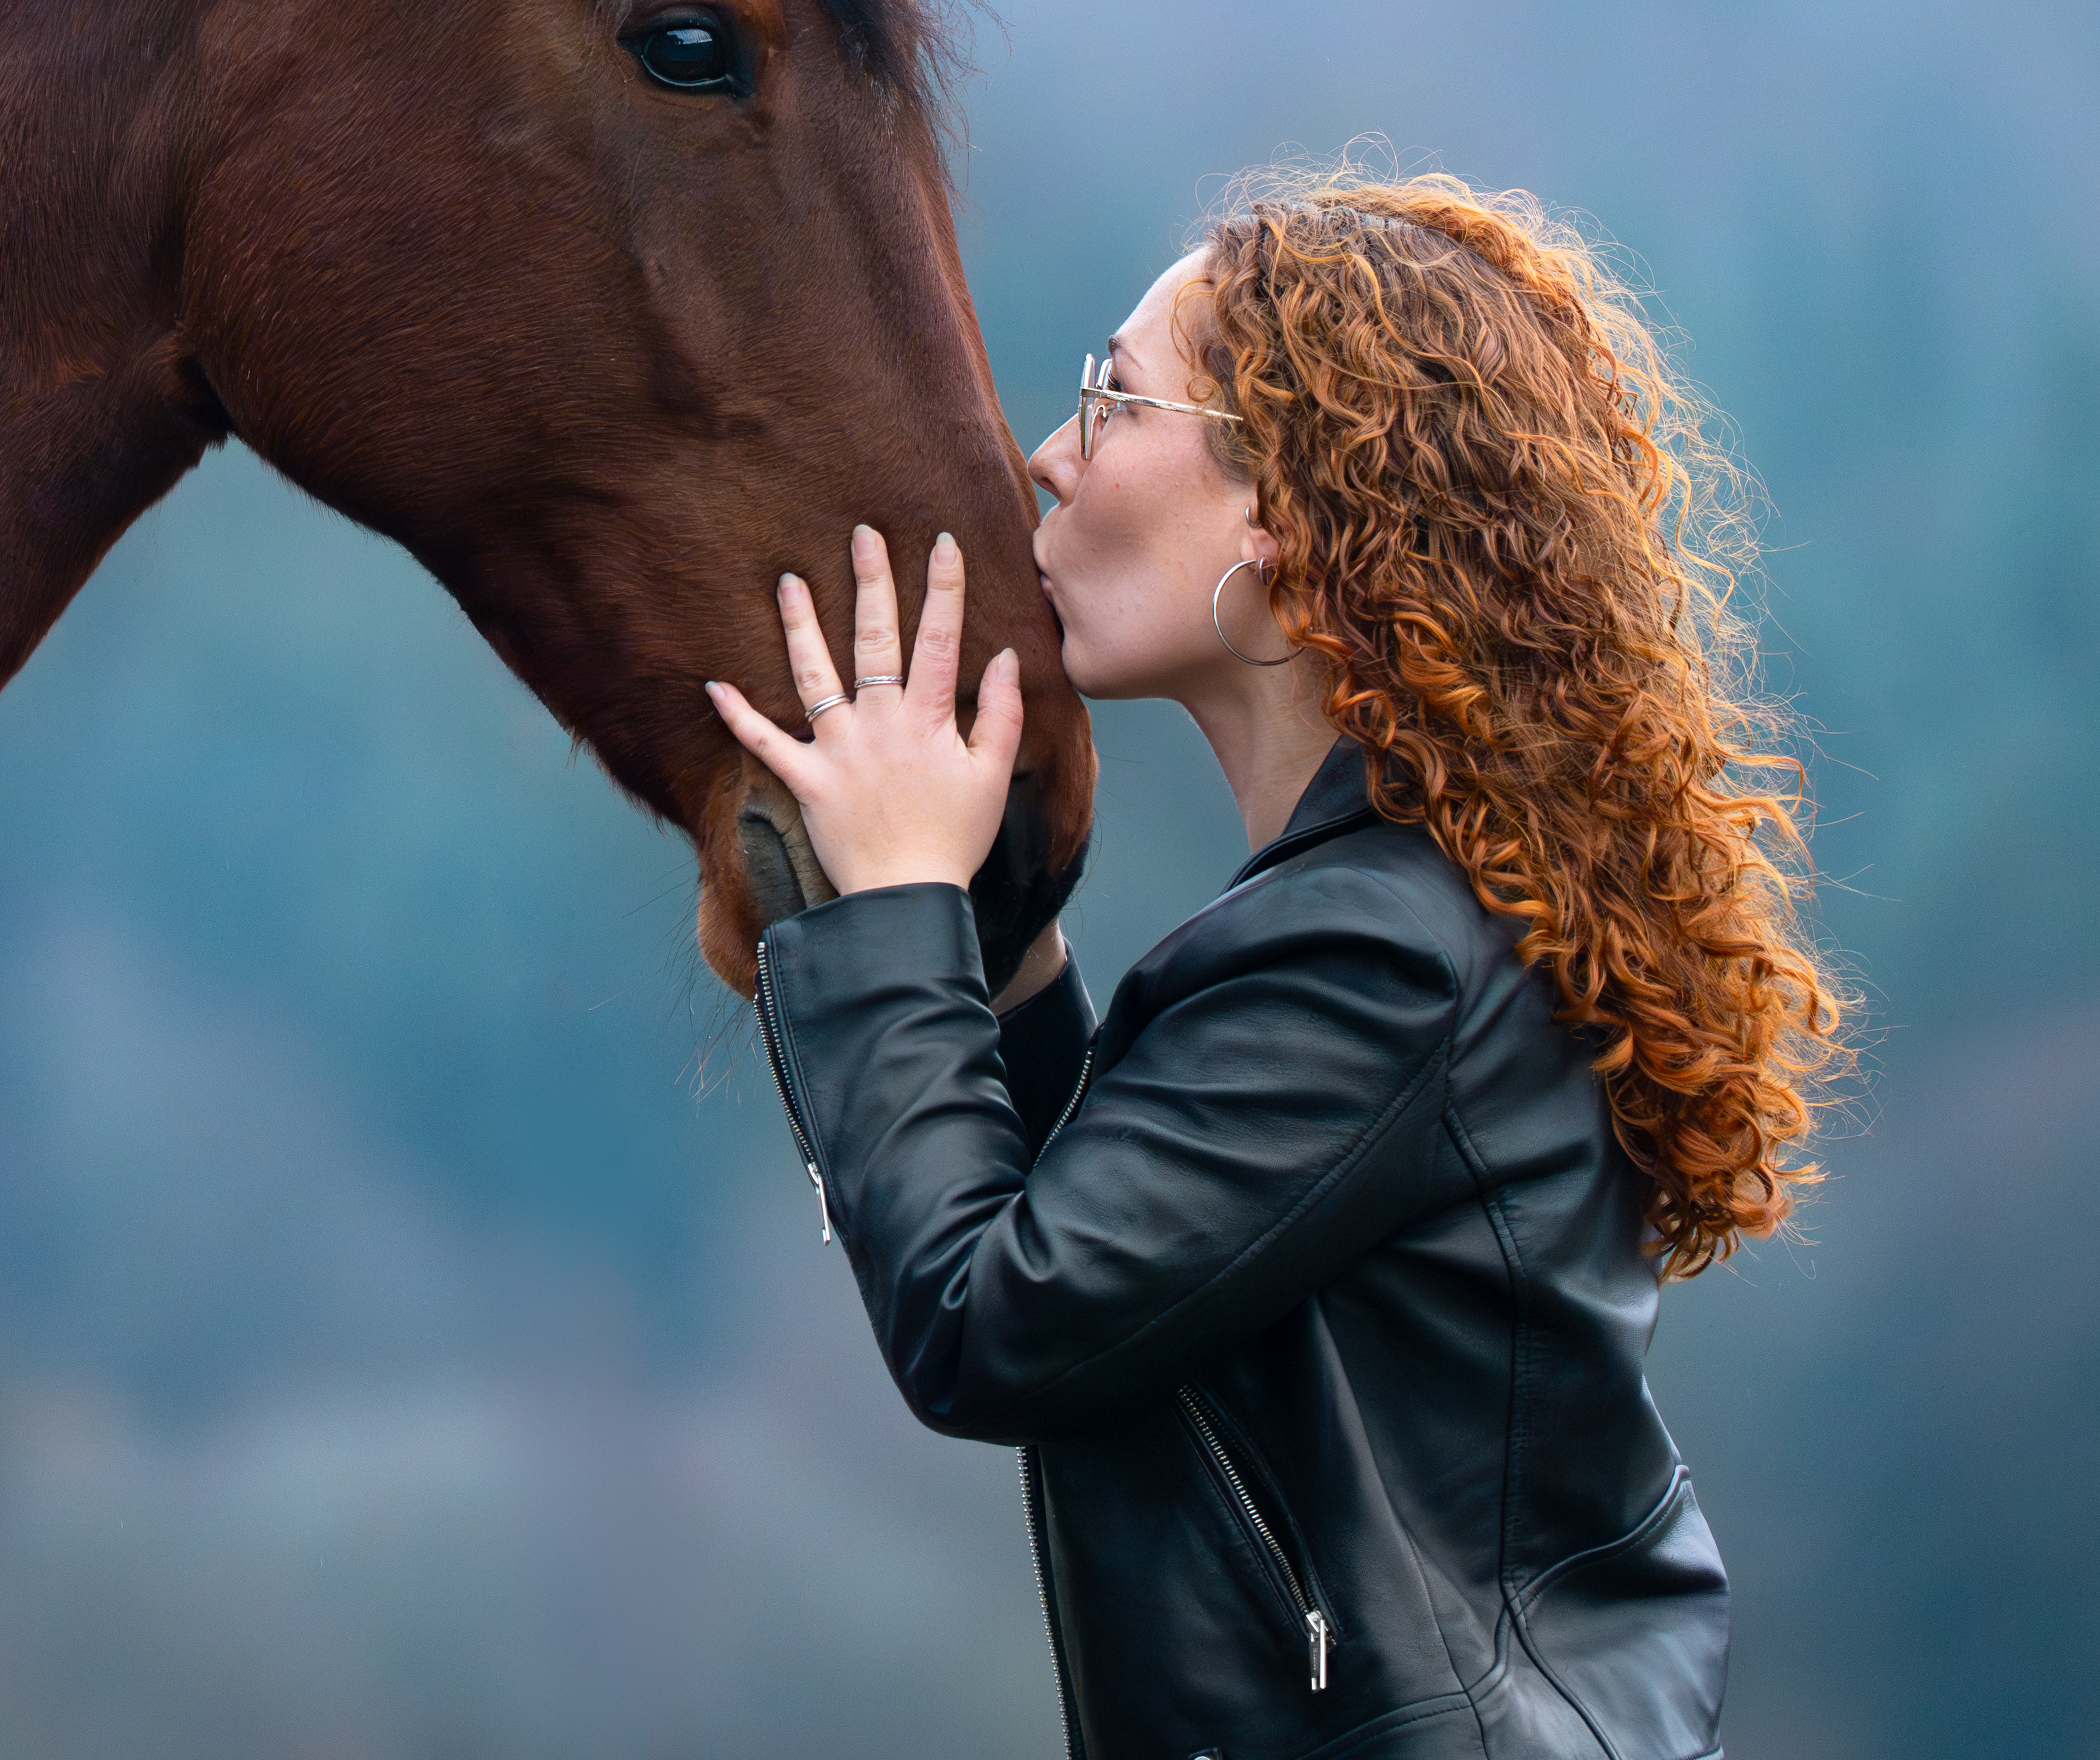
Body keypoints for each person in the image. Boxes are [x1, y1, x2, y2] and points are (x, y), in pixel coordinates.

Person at [707, 166, 1841, 1760]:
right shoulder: (1394, 928)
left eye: (1111, 400)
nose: (1048, 452)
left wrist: (893, 910)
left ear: (1281, 512)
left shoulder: (1376, 961)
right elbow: (1121, 1271)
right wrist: (996, 952)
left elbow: (994, 1318)